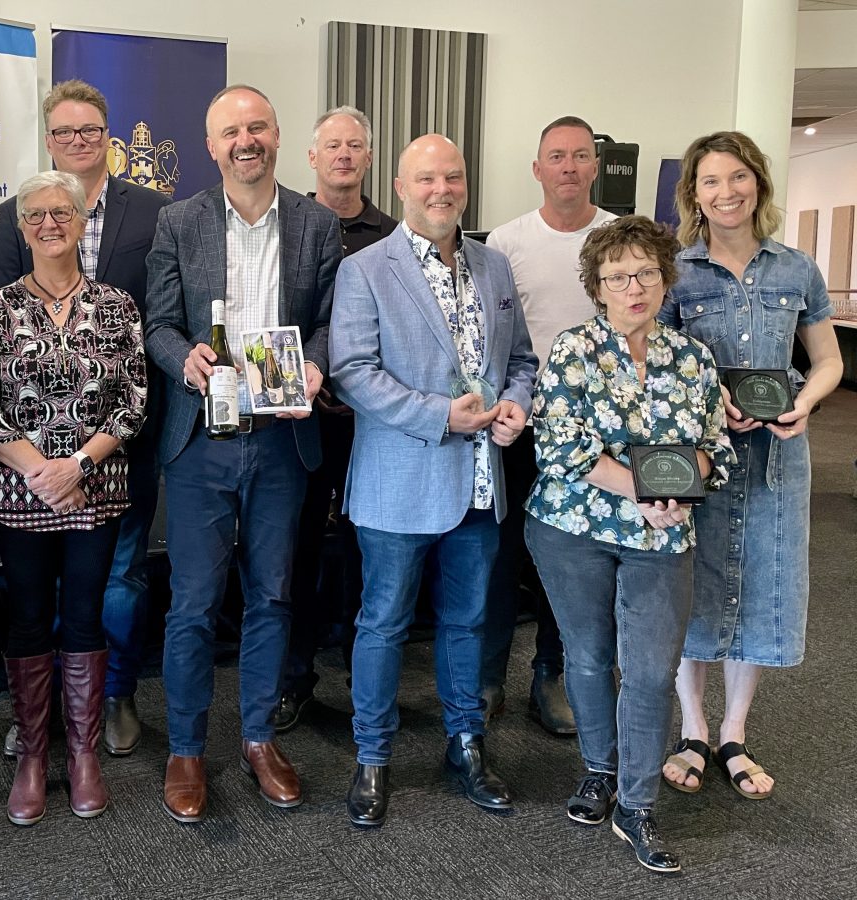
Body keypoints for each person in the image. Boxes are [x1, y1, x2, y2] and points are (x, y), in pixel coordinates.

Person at [145, 84, 341, 822]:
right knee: (193, 604)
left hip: (284, 440)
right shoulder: (178, 221)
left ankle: (259, 738)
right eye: (231, 130)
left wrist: (318, 362)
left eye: (257, 126)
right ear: (211, 145)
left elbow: (327, 321)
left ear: (278, 135)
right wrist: (181, 360)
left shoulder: (317, 224)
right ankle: (188, 749)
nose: (245, 140)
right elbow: (157, 323)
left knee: (274, 596)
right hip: (201, 443)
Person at [330, 134, 537, 827]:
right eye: (425, 179)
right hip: (399, 483)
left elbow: (524, 361)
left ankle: (467, 745)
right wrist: (438, 416)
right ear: (399, 187)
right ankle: (372, 758)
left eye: (452, 176)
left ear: (466, 183)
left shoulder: (495, 266)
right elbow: (352, 371)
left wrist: (516, 406)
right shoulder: (365, 269)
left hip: (482, 484)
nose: (440, 189)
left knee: (468, 623)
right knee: (383, 624)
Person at [525, 215, 733, 873]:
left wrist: (683, 485)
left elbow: (715, 448)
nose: (634, 286)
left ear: (665, 279)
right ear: (598, 286)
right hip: (572, 527)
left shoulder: (693, 358)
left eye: (646, 272)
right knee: (587, 656)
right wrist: (638, 490)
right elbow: (558, 444)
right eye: (618, 276)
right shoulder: (573, 349)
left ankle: (636, 805)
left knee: (647, 670)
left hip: (664, 533)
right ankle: (598, 770)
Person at [659, 132, 842, 802]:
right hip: (703, 460)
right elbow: (661, 371)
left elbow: (826, 359)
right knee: (694, 589)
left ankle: (734, 731)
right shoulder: (676, 272)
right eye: (711, 181)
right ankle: (693, 728)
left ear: (758, 184)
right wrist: (710, 402)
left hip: (776, 459)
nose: (726, 192)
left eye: (738, 178)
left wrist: (807, 402)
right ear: (694, 194)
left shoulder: (796, 269)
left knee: (761, 587)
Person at [0, 79, 170, 757]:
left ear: (108, 136)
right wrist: (35, 459)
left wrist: (97, 444)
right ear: (49, 139)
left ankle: (110, 696)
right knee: (32, 591)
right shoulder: (19, 210)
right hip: (29, 453)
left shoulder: (153, 212)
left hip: (116, 439)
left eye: (89, 130)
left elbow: (160, 313)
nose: (77, 141)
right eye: (63, 132)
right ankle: (38, 714)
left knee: (119, 576)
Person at [0, 170, 147, 825]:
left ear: (79, 220)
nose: (50, 223)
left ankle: (83, 753)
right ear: (21, 228)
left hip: (96, 488)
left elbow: (133, 399)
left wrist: (75, 465)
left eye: (61, 212)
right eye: (36, 214)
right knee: (26, 616)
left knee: (83, 616)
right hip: (20, 493)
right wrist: (41, 470)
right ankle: (34, 754)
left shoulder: (118, 304)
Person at [483, 115, 615, 735]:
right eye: (556, 157)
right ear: (537, 168)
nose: (568, 167)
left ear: (596, 166)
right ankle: (487, 679)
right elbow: (493, 340)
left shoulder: (620, 240)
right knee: (501, 557)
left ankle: (550, 675)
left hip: (596, 436)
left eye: (580, 156)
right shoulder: (505, 243)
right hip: (519, 424)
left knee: (572, 563)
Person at [278, 105, 397, 732]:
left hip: (375, 429)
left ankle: (364, 678)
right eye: (332, 145)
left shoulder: (396, 236)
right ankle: (293, 679)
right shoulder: (289, 225)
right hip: (302, 421)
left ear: (369, 157)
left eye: (355, 145)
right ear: (312, 157)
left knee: (365, 555)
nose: (344, 155)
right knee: (293, 554)